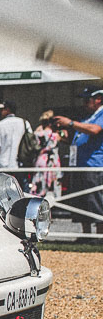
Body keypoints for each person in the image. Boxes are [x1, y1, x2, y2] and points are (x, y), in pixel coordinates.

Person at [54, 87, 103, 236]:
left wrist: (70, 123)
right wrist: (62, 134)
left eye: (87, 100)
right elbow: (78, 136)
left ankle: (99, 235)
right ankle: (85, 234)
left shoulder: (100, 114)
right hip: (80, 165)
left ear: (98, 100)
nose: (84, 103)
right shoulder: (87, 116)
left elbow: (94, 130)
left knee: (96, 201)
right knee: (81, 202)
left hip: (94, 166)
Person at [30, 110, 61, 197]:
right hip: (52, 160)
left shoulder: (37, 133)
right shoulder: (56, 135)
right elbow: (64, 137)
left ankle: (38, 195)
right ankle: (53, 198)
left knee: (39, 179)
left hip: (40, 159)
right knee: (52, 180)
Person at [0, 100, 28, 169]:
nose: (1, 112)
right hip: (20, 165)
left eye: (3, 109)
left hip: (3, 163)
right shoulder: (24, 123)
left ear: (7, 110)